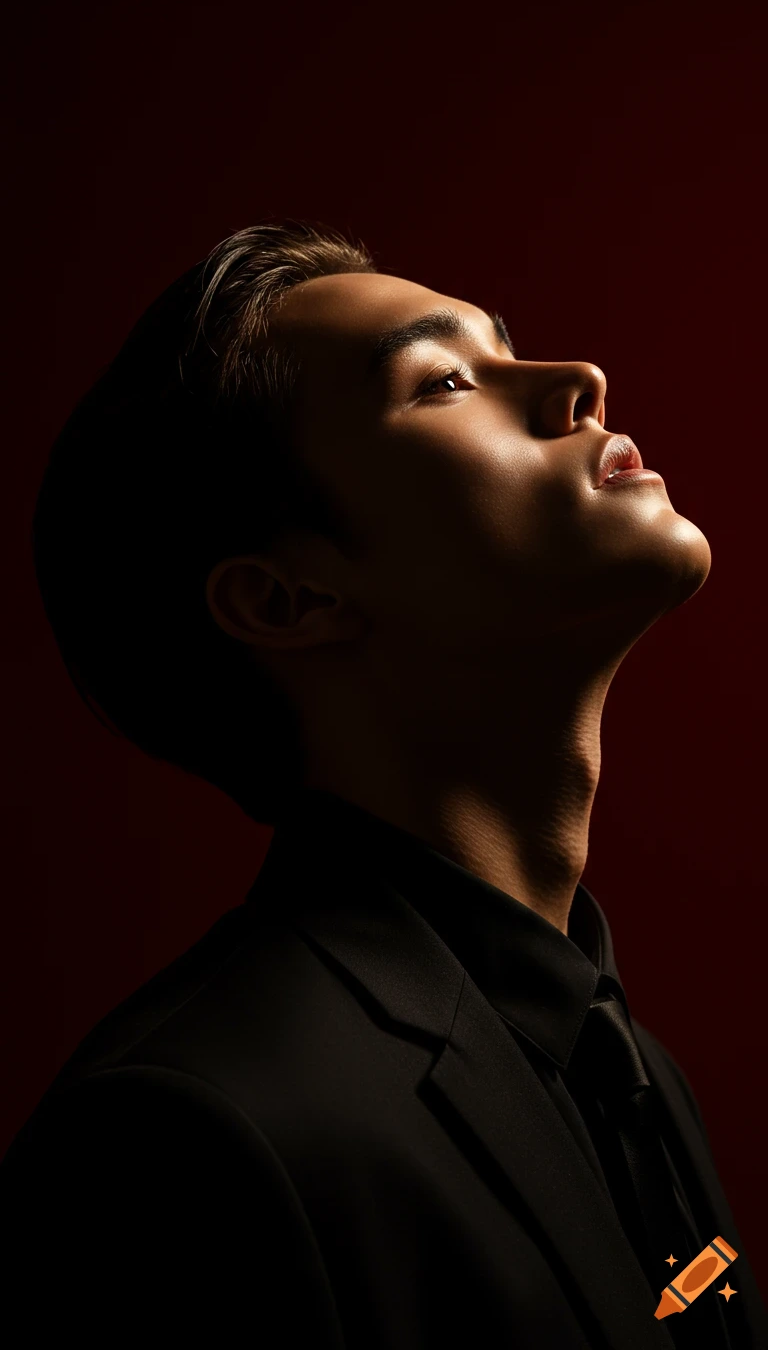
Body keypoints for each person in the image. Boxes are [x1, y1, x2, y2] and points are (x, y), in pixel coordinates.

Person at [1, 221, 765, 1349]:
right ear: (284, 601)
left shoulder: (636, 1072)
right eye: (445, 380)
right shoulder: (185, 1137)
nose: (580, 382)